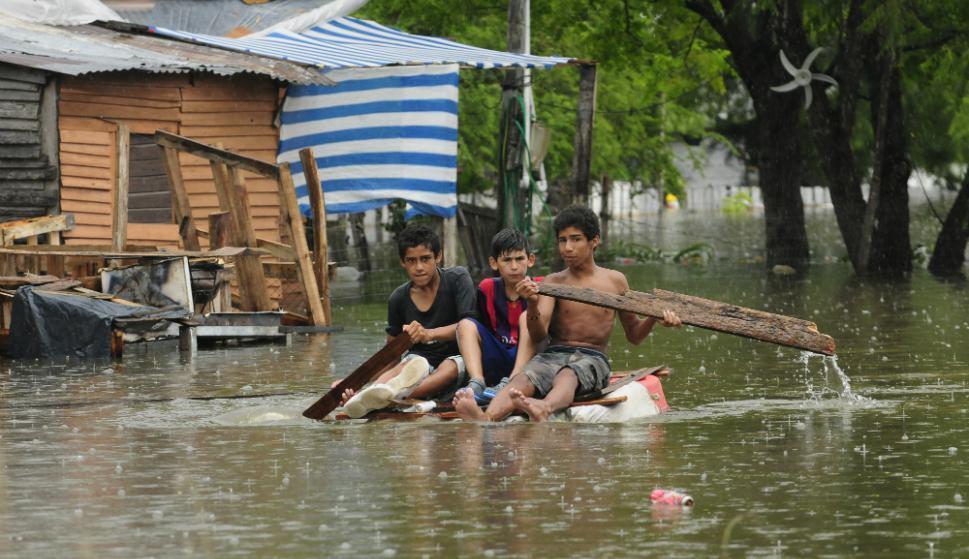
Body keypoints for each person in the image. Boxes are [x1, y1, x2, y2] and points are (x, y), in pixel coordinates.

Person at [453, 205, 682, 422]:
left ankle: (545, 407)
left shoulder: (615, 281)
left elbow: (634, 335)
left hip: (592, 359)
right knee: (524, 377)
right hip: (553, 353)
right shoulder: (554, 282)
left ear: (595, 241)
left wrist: (654, 317)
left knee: (569, 373)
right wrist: (532, 304)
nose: (567, 248)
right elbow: (538, 334)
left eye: (575, 239)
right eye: (562, 241)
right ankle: (486, 417)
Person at [341, 223, 476, 418]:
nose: (419, 267)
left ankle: (387, 397)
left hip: (456, 365)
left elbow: (471, 326)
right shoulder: (398, 299)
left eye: (425, 259)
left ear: (438, 257)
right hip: (416, 368)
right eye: (411, 261)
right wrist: (355, 384)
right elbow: (391, 355)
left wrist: (428, 333)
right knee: (410, 363)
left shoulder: (458, 280)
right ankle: (371, 394)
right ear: (402, 262)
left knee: (453, 364)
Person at [455, 228, 541, 399]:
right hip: (498, 355)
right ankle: (477, 382)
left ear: (530, 260)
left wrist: (533, 301)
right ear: (494, 263)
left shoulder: (541, 287)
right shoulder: (487, 288)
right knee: (464, 325)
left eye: (519, 259)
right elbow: (477, 329)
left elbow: (543, 333)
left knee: (526, 319)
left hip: (529, 360)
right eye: (507, 260)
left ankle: (512, 379)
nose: (514, 266)